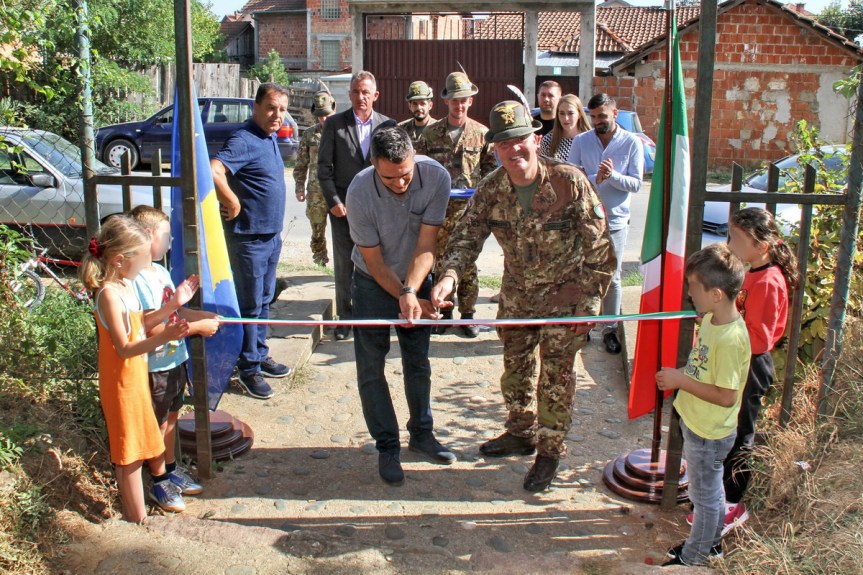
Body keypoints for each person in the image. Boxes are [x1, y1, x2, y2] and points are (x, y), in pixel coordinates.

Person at [431, 100, 615, 492]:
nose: (514, 151)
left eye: (520, 140)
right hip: (517, 297)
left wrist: (590, 304)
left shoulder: (569, 181)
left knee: (555, 376)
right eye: (504, 144)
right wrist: (448, 277)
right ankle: (520, 431)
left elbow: (600, 250)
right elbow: (467, 237)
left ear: (535, 138)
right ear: (495, 148)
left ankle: (549, 451)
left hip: (564, 299)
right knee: (515, 370)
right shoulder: (492, 189)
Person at [347, 127, 455, 485]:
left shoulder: (436, 177)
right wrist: (404, 295)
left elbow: (427, 245)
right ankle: (387, 445)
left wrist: (412, 290)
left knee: (417, 360)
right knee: (371, 366)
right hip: (371, 283)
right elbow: (375, 264)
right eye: (389, 178)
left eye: (406, 174)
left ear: (414, 156)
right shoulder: (359, 192)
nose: (400, 184)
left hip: (415, 276)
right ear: (374, 166)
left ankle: (422, 433)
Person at [79, 215, 191, 523]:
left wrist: (169, 313)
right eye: (141, 261)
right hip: (121, 383)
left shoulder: (126, 285)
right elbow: (124, 348)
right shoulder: (109, 295)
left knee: (139, 443)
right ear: (118, 261)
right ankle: (136, 518)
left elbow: (138, 326)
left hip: (137, 379)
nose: (145, 267)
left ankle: (138, 514)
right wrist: (166, 335)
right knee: (127, 455)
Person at [697, 207, 796, 534]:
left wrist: (722, 321)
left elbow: (758, 340)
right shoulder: (749, 272)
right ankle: (716, 494)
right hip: (734, 361)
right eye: (730, 235)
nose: (730, 243)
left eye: (738, 239)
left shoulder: (768, 281)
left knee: (739, 435)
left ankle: (732, 504)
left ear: (763, 245)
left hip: (750, 366)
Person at [657, 243, 750, 567]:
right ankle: (708, 543)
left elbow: (727, 396)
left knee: (704, 497)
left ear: (715, 294)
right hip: (698, 425)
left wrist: (681, 381)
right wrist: (683, 376)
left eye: (693, 287)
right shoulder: (712, 320)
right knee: (707, 493)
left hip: (710, 434)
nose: (688, 292)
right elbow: (702, 365)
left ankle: (697, 554)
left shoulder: (730, 339)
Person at [130, 205, 221, 497]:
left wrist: (201, 316)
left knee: (171, 419)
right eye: (165, 236)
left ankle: (169, 468)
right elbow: (152, 329)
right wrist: (197, 329)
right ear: (146, 236)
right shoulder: (138, 281)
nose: (170, 242)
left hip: (175, 360)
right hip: (155, 367)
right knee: (156, 424)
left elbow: (177, 313)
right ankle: (159, 481)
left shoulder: (159, 271)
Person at [211, 82, 293, 400]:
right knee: (249, 305)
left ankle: (259, 354)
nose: (277, 115)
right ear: (256, 107)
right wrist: (232, 202)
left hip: (269, 236)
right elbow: (215, 170)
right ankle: (248, 370)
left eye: (282, 109)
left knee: (263, 301)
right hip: (248, 239)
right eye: (271, 107)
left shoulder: (267, 137)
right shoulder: (244, 139)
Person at [415, 71, 497, 338]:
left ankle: (469, 315)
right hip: (438, 210)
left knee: (468, 263)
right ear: (446, 101)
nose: (459, 105)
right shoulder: (430, 133)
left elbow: (489, 172)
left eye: (464, 100)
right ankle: (444, 312)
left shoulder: (482, 134)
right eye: (454, 100)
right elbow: (420, 169)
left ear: (470, 101)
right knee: (439, 262)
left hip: (468, 213)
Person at [318, 70, 396, 341]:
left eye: (366, 92)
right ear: (349, 94)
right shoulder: (334, 125)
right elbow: (323, 169)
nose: (360, 97)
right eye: (356, 92)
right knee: (345, 264)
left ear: (375, 95)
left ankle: (375, 316)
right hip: (344, 210)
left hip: (378, 210)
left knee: (379, 262)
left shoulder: (388, 126)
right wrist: (334, 202)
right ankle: (346, 320)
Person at [568, 93, 644, 355]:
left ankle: (610, 327)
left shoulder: (632, 142)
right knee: (582, 273)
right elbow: (571, 178)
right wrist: (595, 177)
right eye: (593, 116)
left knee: (613, 276)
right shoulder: (581, 140)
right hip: (585, 219)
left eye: (602, 115)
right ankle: (584, 324)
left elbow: (636, 183)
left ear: (615, 112)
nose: (598, 121)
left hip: (615, 221)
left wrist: (612, 177)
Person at [294, 90, 337, 267]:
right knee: (317, 228)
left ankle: (344, 267)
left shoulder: (341, 132)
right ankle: (320, 261)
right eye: (320, 116)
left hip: (337, 190)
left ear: (334, 110)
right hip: (316, 190)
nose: (323, 119)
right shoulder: (309, 135)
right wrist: (299, 186)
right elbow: (301, 162)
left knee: (344, 231)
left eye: (326, 115)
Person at [539, 93, 591, 161]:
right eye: (562, 113)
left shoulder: (590, 139)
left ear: (579, 114)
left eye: (570, 113)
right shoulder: (548, 140)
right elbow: (543, 168)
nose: (566, 118)